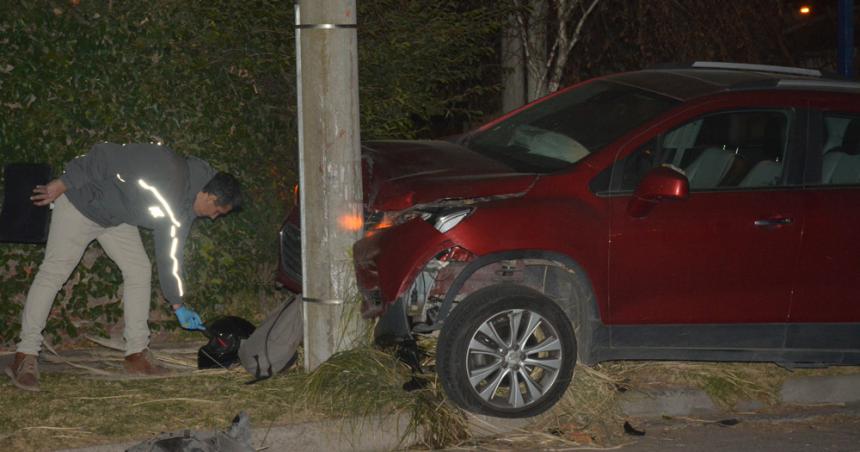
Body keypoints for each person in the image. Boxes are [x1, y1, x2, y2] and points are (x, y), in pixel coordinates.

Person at [4, 142, 242, 391]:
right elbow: (107, 154)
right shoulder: (166, 166)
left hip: (116, 218)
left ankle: (136, 355)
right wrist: (63, 183)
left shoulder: (184, 209)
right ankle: (25, 356)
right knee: (53, 274)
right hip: (82, 202)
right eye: (217, 211)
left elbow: (170, 255)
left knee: (139, 270)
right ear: (209, 196)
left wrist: (177, 303)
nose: (214, 218)